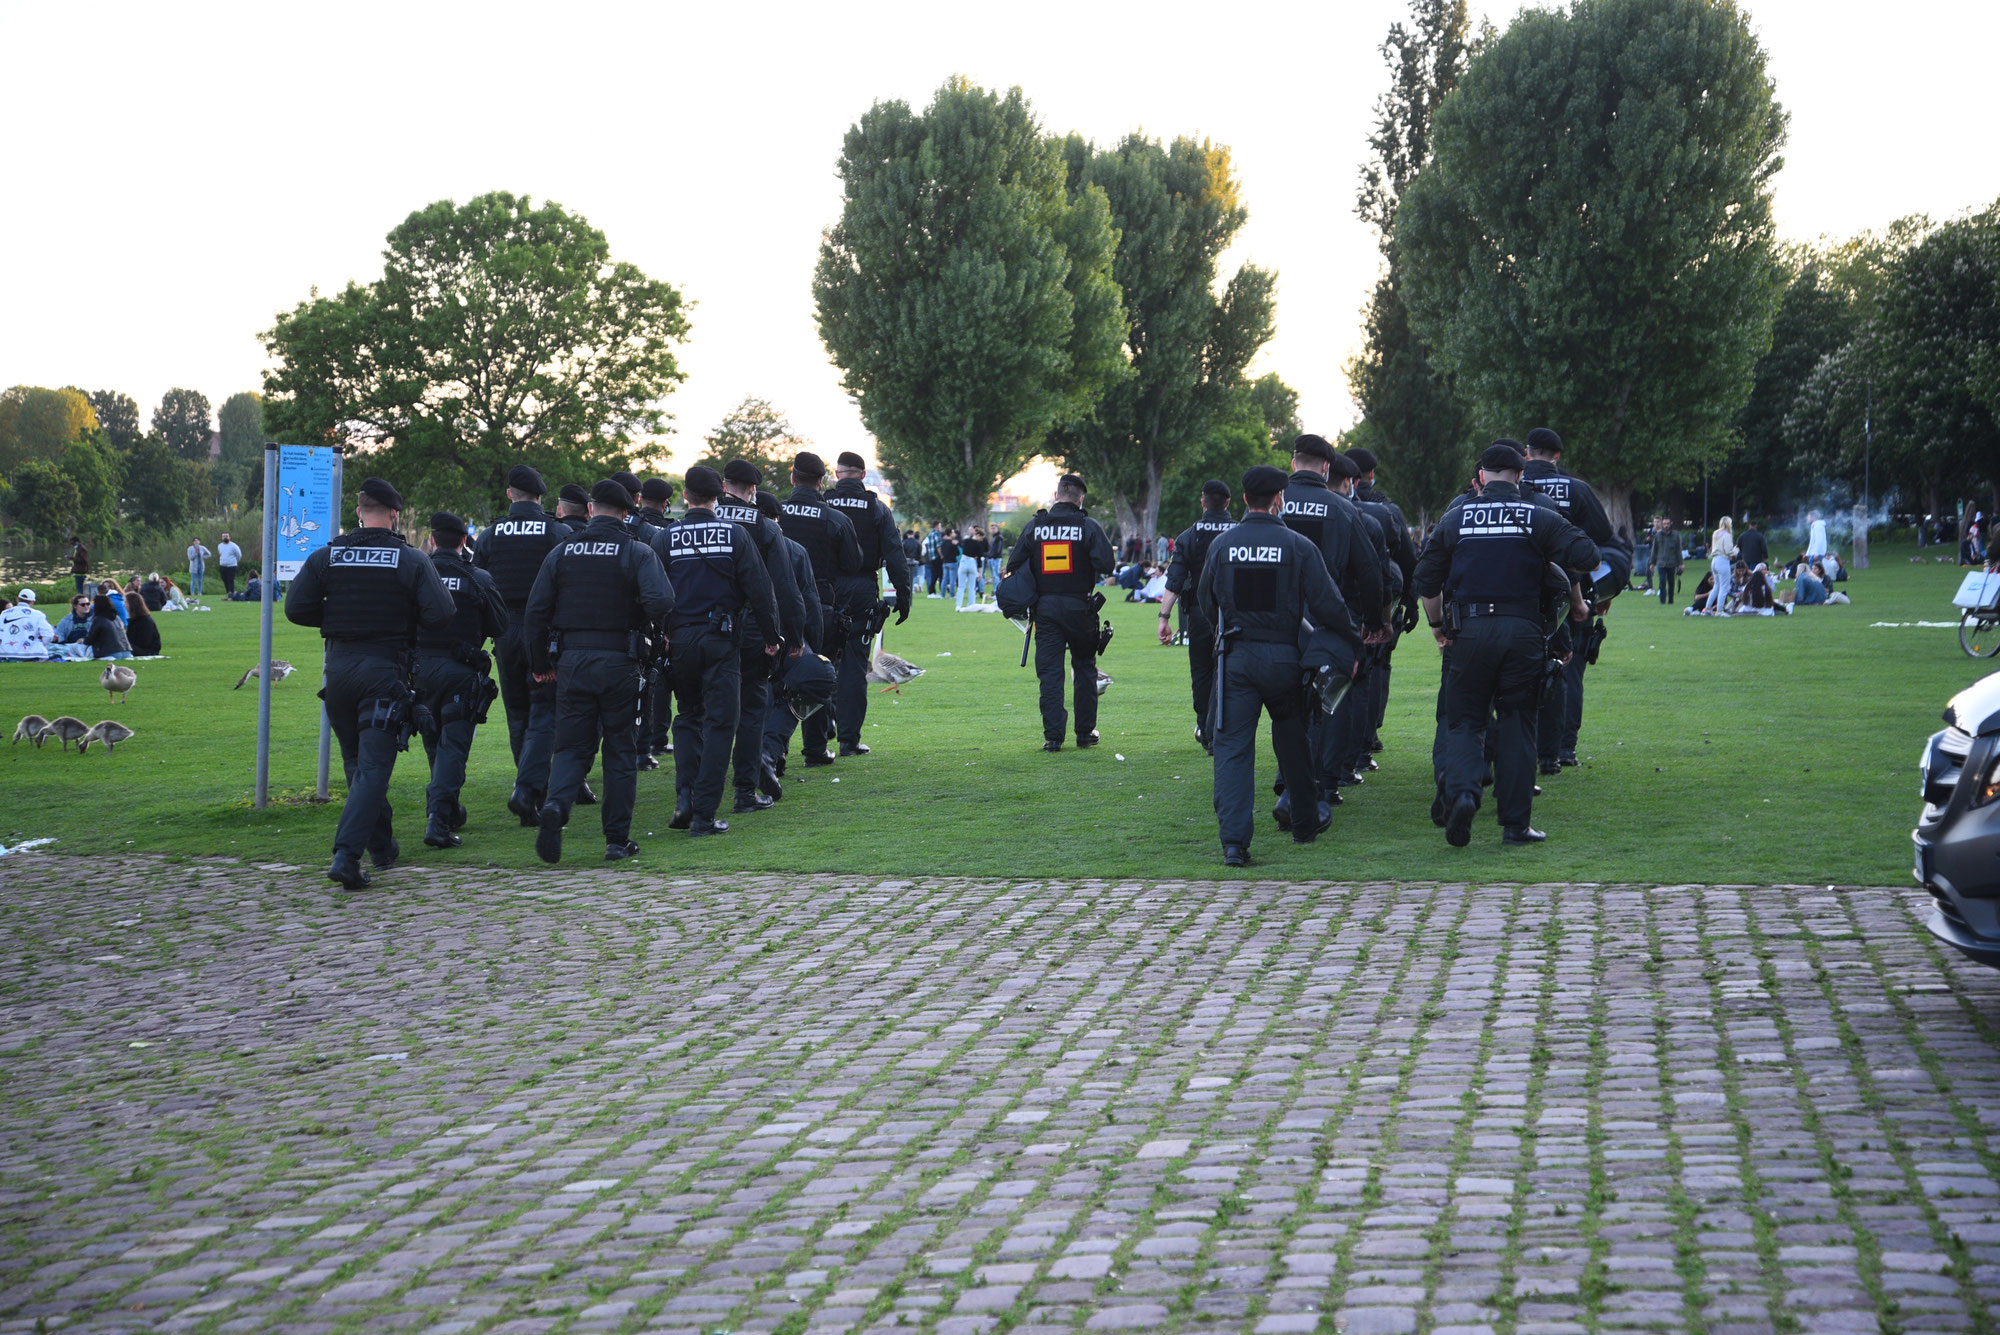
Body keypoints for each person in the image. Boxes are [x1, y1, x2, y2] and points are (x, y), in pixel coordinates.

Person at [1414, 442, 1599, 847]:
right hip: (1524, 633)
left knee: (1465, 721)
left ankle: (1462, 793)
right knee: (1518, 725)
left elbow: (1425, 581)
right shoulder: (1539, 516)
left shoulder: (1456, 518)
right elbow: (1588, 554)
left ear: (1480, 477)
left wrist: (1437, 624)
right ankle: (1515, 826)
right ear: (1519, 477)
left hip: (1469, 632)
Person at [284, 478, 455, 889]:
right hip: (385, 671)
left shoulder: (328, 556)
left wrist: (337, 621)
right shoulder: (410, 559)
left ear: (359, 512)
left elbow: (295, 608)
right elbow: (443, 613)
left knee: (358, 764)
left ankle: (381, 848)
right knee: (374, 768)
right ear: (394, 515)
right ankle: (346, 855)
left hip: (339, 670)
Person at [1197, 466, 1352, 866]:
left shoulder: (1222, 544)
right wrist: (1349, 642)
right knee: (1294, 742)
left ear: (1245, 499)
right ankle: (1303, 823)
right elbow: (1329, 604)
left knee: (1233, 751)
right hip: (1285, 657)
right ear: (1279, 498)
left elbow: (1205, 600)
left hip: (1236, 658)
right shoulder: (1297, 545)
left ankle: (1234, 843)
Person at [522, 479, 675, 864]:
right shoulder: (636, 552)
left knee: (572, 746)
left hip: (572, 661)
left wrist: (540, 663)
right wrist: (636, 614)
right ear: (627, 513)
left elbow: (536, 611)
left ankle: (556, 805)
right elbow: (662, 601)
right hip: (620, 661)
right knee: (620, 749)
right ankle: (616, 839)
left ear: (590, 510)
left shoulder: (562, 552)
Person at [660, 466, 782, 836]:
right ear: (717, 497)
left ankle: (685, 796)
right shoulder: (735, 535)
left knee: (687, 716)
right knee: (720, 723)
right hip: (721, 639)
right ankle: (703, 814)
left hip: (679, 640)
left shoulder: (666, 537)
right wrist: (772, 635)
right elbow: (760, 589)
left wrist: (661, 632)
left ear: (685, 495)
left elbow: (651, 592)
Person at [1279, 434, 1386, 825]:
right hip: (1329, 617)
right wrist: (1374, 622)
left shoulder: (1273, 501)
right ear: (1326, 468)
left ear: (1294, 463)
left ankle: (1288, 779)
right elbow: (1370, 571)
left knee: (1286, 703)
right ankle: (1319, 786)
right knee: (1329, 703)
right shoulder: (1343, 510)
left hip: (1280, 621)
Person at [471, 465, 571, 827]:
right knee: (545, 710)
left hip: (505, 630)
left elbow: (478, 585)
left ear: (510, 495)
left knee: (517, 713)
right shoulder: (556, 531)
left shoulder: (489, 535)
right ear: (541, 497)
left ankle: (524, 785)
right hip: (545, 630)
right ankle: (533, 791)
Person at [1521, 427, 1622, 772]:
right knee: (1569, 672)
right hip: (1569, 596)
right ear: (1557, 456)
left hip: (1517, 597)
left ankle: (1521, 748)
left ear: (1526, 452)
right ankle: (1562, 748)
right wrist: (1601, 593)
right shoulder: (1577, 490)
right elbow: (1603, 547)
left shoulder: (1504, 490)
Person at [414, 512, 508, 850]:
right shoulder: (478, 577)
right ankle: (439, 820)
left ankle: (446, 809)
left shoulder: (415, 572)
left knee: (433, 743)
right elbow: (500, 625)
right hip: (459, 672)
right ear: (464, 542)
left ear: (433, 540)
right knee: (452, 748)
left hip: (419, 671)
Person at [1004, 473, 1116, 751]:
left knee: (1050, 674)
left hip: (1045, 608)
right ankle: (1084, 733)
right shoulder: (1087, 525)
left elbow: (1014, 564)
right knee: (1085, 669)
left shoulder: (1035, 526)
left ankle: (1053, 737)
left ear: (1056, 495)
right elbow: (1107, 564)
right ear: (1081, 499)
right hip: (1080, 607)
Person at [717, 460, 806, 810]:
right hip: (753, 629)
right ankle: (744, 790)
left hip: (701, 630)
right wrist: (792, 635)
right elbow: (784, 588)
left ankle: (692, 796)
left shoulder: (694, 523)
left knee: (708, 713)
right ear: (752, 490)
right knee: (753, 709)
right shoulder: (766, 528)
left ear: (725, 485)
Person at [775, 452, 864, 766]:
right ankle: (815, 749)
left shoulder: (776, 514)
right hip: (820, 602)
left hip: (776, 605)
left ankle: (774, 752)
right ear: (823, 481)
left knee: (774, 677)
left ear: (792, 477)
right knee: (819, 671)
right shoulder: (836, 519)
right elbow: (854, 564)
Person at [824, 451, 912, 755]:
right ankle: (849, 740)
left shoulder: (823, 504)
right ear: (863, 475)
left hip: (824, 589)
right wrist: (904, 595)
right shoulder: (876, 507)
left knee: (822, 660)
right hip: (861, 586)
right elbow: (894, 555)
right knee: (853, 666)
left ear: (837, 475)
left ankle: (820, 734)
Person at [1347, 447, 1418, 763]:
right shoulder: (1386, 511)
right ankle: (1366, 738)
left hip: (1334, 603)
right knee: (1376, 666)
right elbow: (1408, 559)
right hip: (1378, 599)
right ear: (1370, 475)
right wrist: (1411, 601)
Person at [760, 487, 826, 780]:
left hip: (742, 634)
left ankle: (767, 754)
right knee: (809, 685)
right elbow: (806, 600)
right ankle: (771, 752)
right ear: (776, 518)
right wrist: (808, 641)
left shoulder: (735, 541)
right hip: (786, 635)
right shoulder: (793, 550)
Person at [0, 589, 56, 661]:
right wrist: (42, 644)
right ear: (32, 602)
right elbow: (48, 635)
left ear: (17, 599)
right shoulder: (38, 614)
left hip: (5, 654)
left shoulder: (4, 613)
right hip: (31, 654)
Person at [83, 593, 133, 660]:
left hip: (111, 652)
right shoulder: (117, 618)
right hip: (126, 652)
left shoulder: (99, 619)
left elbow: (89, 640)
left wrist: (83, 640)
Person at [1704, 516, 1738, 613]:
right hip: (1723, 561)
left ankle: (1707, 608)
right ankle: (1719, 610)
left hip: (1714, 560)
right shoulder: (1727, 535)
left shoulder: (1716, 533)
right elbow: (1728, 551)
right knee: (1724, 587)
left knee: (1717, 586)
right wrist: (1735, 551)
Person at [1651, 518, 1682, 605]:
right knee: (1662, 581)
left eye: (1667, 524)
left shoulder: (1676, 535)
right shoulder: (1658, 536)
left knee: (1671, 583)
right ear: (1662, 524)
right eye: (1664, 524)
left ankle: (1671, 600)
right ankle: (1662, 600)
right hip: (1661, 563)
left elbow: (1678, 551)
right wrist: (1652, 563)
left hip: (1672, 563)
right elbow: (1654, 550)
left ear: (1670, 524)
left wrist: (1680, 564)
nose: (1666, 526)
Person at [124, 590, 161, 656]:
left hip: (147, 651)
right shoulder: (134, 620)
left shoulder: (145, 621)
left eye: (126, 603)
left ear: (132, 604)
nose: (124, 605)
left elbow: (144, 643)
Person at [956, 526, 984, 608]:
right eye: (981, 538)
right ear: (978, 535)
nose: (981, 540)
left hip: (964, 561)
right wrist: (980, 573)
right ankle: (971, 605)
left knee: (961, 586)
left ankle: (958, 605)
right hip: (972, 563)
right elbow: (979, 560)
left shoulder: (966, 541)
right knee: (972, 587)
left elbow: (961, 546)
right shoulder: (979, 545)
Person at [924, 523, 944, 597]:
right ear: (937, 526)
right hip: (937, 556)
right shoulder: (936, 534)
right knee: (939, 574)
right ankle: (938, 591)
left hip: (931, 557)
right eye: (940, 526)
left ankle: (932, 591)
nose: (941, 527)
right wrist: (941, 555)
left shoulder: (930, 534)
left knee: (934, 575)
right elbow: (938, 546)